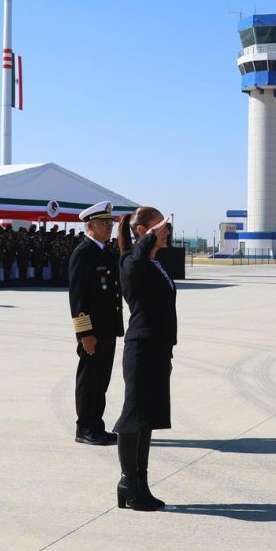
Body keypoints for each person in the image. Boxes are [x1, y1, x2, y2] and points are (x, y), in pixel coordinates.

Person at [113, 207, 176, 511]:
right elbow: (136, 261)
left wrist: (169, 350)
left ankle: (140, 483)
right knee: (133, 416)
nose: (166, 231)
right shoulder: (130, 262)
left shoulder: (156, 264)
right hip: (140, 348)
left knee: (146, 418)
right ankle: (127, 482)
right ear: (143, 232)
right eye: (160, 227)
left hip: (157, 349)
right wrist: (148, 238)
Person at [67, 202, 124, 445]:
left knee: (101, 379)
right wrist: (85, 333)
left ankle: (96, 426)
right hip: (93, 332)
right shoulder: (84, 253)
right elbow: (78, 298)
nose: (109, 227)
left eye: (110, 223)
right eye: (104, 223)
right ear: (90, 225)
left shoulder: (104, 251)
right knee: (89, 379)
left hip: (107, 328)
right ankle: (85, 428)